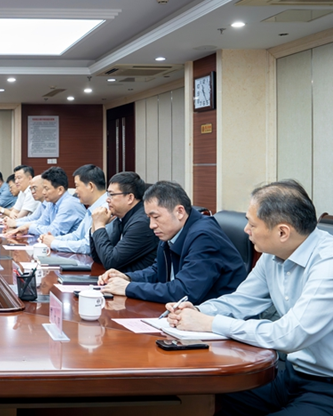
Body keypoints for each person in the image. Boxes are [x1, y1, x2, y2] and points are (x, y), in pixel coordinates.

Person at [167, 180, 333, 415]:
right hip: (289, 375)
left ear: (282, 232)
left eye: (252, 224)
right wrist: (197, 311)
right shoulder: (273, 255)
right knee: (197, 396)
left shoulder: (327, 264)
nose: (246, 230)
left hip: (326, 387)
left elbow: (289, 335)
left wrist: (210, 323)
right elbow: (241, 301)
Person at [99, 181, 247, 304]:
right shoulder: (172, 230)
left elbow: (185, 292)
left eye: (156, 217)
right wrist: (128, 277)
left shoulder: (204, 237)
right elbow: (158, 270)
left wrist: (128, 288)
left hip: (216, 318)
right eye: (149, 218)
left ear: (180, 212)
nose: (151, 225)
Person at [88, 172, 158, 273]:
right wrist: (95, 224)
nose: (107, 199)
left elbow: (110, 261)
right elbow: (99, 257)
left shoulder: (142, 223)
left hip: (138, 280)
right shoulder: (120, 218)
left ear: (130, 198)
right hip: (120, 278)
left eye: (112, 195)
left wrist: (99, 225)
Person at [39, 164, 108, 254]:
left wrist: (54, 243)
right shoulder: (92, 208)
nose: (75, 191)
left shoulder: (106, 209)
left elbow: (87, 246)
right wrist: (51, 239)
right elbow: (77, 235)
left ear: (90, 186)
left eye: (77, 186)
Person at [4, 167, 85, 238]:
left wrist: (28, 227)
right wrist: (24, 226)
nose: (43, 192)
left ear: (60, 190)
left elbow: (54, 232)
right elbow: (41, 222)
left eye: (46, 189)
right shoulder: (52, 202)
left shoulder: (68, 204)